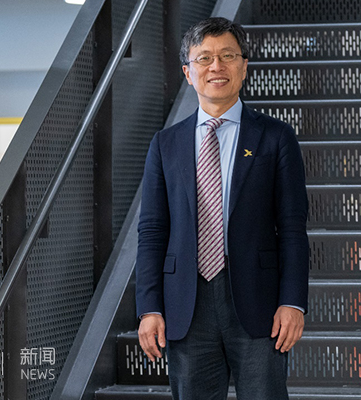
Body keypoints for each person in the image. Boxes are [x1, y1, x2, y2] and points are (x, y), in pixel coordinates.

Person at [135, 17, 309, 399]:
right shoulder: (165, 144)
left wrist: (293, 301)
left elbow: (292, 228)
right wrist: (149, 308)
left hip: (259, 304)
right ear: (188, 72)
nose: (216, 66)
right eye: (204, 58)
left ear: (244, 66)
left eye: (228, 56)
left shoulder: (276, 137)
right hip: (187, 303)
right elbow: (151, 231)